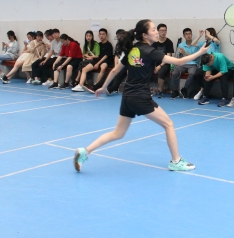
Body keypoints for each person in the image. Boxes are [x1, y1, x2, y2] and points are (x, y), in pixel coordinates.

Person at [73, 19, 210, 173]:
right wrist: (200, 52)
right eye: (153, 29)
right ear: (145, 35)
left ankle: (85, 151)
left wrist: (104, 87)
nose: (156, 32)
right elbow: (179, 61)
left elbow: (115, 70)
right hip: (140, 96)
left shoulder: (131, 49)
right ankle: (176, 161)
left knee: (118, 133)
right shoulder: (150, 51)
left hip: (127, 96)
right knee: (169, 124)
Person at [170, 28, 203, 99]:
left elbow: (195, 58)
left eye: (189, 34)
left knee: (192, 74)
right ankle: (175, 91)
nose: (188, 35)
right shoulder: (181, 45)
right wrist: (181, 54)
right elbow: (180, 58)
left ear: (192, 35)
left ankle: (184, 89)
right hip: (183, 63)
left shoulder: (196, 45)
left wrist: (185, 53)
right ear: (184, 36)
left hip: (193, 64)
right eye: (186, 34)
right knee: (175, 73)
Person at [193, 27, 222, 101]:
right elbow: (193, 44)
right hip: (205, 64)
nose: (205, 35)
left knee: (207, 76)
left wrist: (209, 35)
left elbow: (217, 41)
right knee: (197, 74)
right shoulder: (205, 43)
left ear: (211, 33)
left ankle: (202, 92)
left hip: (214, 65)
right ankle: (202, 89)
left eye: (206, 33)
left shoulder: (215, 43)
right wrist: (199, 36)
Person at [150, 23, 174, 98]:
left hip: (165, 64)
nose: (163, 32)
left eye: (165, 30)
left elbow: (169, 57)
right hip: (156, 63)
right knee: (146, 69)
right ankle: (145, 90)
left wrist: (159, 66)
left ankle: (160, 91)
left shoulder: (169, 42)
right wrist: (153, 66)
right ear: (158, 31)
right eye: (162, 30)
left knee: (161, 72)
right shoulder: (154, 42)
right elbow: (152, 55)